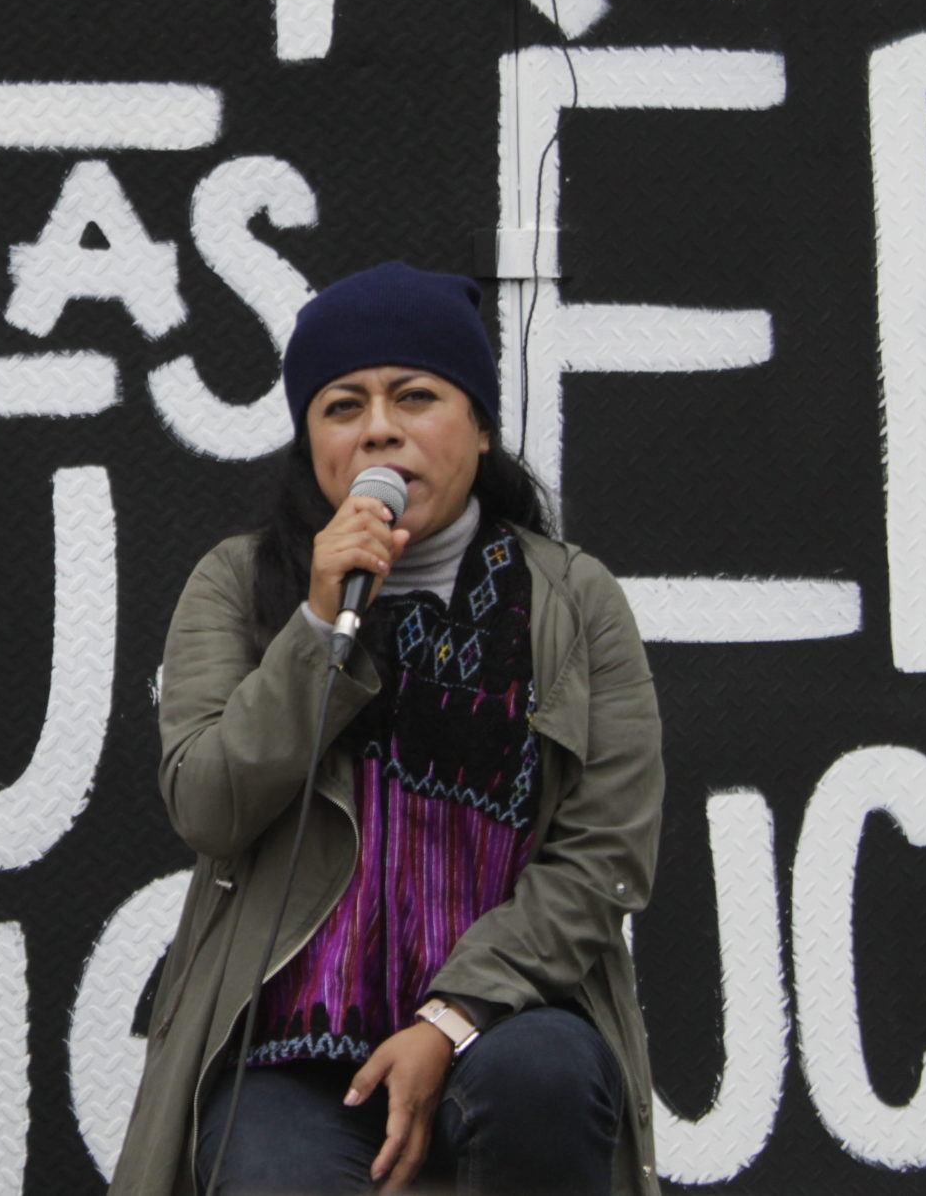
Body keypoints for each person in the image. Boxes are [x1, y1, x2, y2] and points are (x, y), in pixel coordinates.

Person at [110, 262, 663, 1196]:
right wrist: (319, 627)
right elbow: (206, 803)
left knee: (542, 1078)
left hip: (509, 1014)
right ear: (311, 441)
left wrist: (451, 1017)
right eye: (343, 404)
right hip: (291, 1041)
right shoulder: (239, 585)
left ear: (481, 426)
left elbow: (607, 849)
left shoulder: (575, 600)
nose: (379, 427)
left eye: (416, 396)